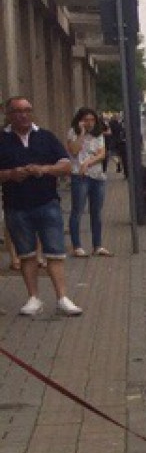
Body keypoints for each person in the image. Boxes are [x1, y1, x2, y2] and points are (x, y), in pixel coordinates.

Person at [0, 96, 82, 316]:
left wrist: (44, 170)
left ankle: (62, 298)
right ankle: (33, 298)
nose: (24, 115)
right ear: (8, 114)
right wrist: (10, 174)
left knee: (55, 252)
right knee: (26, 254)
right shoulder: (2, 139)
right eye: (18, 111)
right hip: (16, 206)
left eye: (27, 110)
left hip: (47, 203)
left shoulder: (45, 137)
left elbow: (66, 165)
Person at [66, 107, 109, 257]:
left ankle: (97, 245)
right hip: (80, 176)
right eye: (86, 120)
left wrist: (88, 163)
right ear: (80, 120)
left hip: (97, 176)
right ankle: (77, 246)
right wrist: (82, 133)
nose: (89, 123)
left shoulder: (98, 134)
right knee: (77, 210)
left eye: (92, 120)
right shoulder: (73, 132)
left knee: (96, 212)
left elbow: (102, 153)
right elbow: (74, 151)